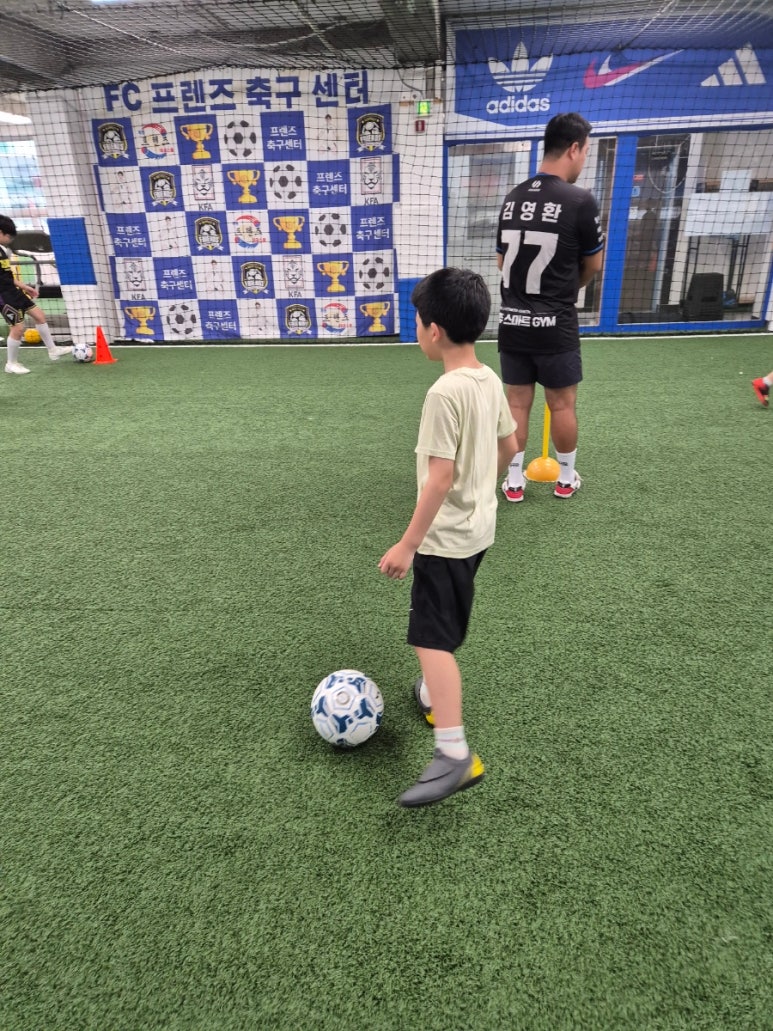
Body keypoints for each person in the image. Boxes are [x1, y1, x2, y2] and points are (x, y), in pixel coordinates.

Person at [378, 267, 518, 808]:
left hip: (445, 540)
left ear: (433, 330)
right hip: (479, 530)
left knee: (430, 638)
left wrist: (408, 543)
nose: (417, 330)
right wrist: (480, 488)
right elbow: (509, 446)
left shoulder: (443, 393)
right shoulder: (488, 379)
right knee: (444, 620)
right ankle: (432, 689)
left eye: (417, 321)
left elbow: (438, 478)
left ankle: (454, 752)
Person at [496, 112, 605, 501]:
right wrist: (566, 289)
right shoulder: (580, 200)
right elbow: (593, 264)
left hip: (512, 321)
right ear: (574, 148)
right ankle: (565, 479)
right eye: (586, 151)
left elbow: (501, 262)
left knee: (516, 404)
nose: (584, 159)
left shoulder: (512, 198)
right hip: (555, 324)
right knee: (561, 404)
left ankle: (513, 482)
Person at [0, 215, 72, 373]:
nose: (10, 240)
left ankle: (53, 350)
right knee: (18, 328)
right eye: (8, 236)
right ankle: (11, 364)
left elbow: (7, 276)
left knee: (39, 316)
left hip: (14, 291)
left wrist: (25, 287)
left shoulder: (2, 251)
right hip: (4, 296)